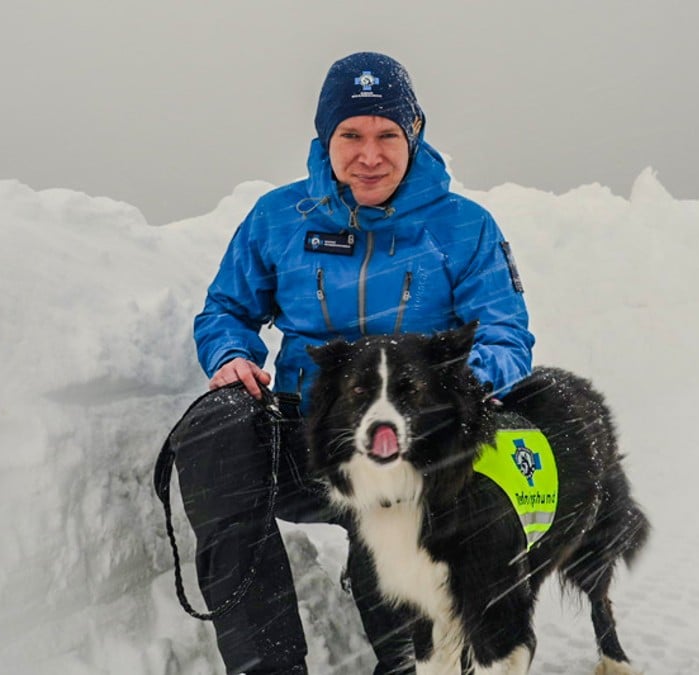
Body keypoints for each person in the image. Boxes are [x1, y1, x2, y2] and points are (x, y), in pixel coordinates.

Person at [168, 51, 535, 674]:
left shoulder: (464, 228)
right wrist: (231, 356)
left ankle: (409, 654)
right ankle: (268, 664)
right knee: (214, 430)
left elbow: (505, 334)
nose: (370, 155)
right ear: (325, 138)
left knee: (395, 547)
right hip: (308, 436)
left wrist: (461, 384)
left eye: (387, 134)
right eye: (351, 135)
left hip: (410, 444)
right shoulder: (279, 218)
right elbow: (225, 310)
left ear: (413, 133)